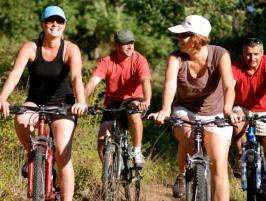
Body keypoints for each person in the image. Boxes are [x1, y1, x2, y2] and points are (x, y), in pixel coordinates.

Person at [148, 15, 240, 200]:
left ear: (198, 37)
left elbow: (229, 86)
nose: (179, 39)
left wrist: (228, 110)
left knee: (219, 166)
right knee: (188, 137)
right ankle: (182, 175)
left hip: (216, 112)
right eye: (179, 35)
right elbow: (170, 84)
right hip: (186, 109)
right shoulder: (176, 58)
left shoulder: (220, 54)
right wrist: (165, 109)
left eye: (185, 35)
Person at [0, 5, 86, 201]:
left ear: (64, 25)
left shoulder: (71, 49)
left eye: (59, 21)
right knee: (21, 119)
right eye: (50, 20)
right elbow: (15, 75)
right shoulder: (30, 47)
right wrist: (2, 98)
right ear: (42, 23)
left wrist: (81, 102)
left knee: (63, 155)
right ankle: (33, 155)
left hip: (63, 104)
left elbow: (76, 78)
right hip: (36, 102)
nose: (54, 24)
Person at [85, 30, 151, 167]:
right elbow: (93, 81)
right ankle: (110, 176)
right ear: (116, 45)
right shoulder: (107, 61)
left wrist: (146, 101)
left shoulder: (139, 60)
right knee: (102, 140)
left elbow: (145, 81)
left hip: (134, 100)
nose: (130, 46)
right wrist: (81, 100)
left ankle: (137, 151)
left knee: (133, 111)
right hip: (113, 104)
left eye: (132, 43)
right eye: (125, 43)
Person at [232, 37, 266, 201]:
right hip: (244, 108)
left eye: (256, 54)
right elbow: (228, 86)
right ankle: (239, 155)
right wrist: (227, 110)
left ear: (262, 53)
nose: (252, 58)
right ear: (243, 53)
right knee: (236, 122)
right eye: (248, 54)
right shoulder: (236, 66)